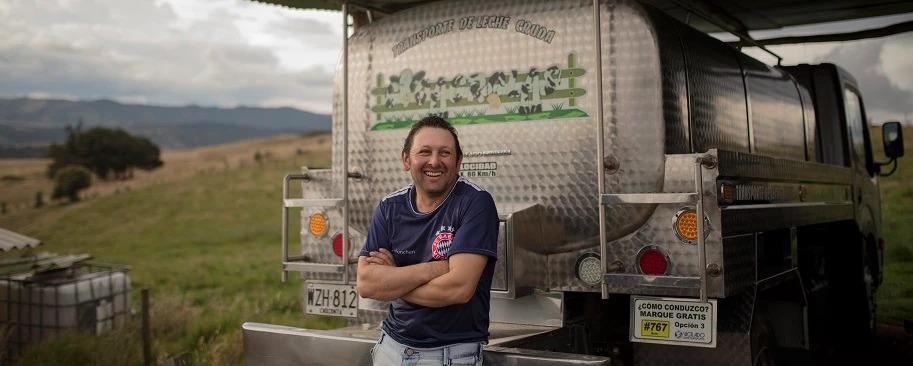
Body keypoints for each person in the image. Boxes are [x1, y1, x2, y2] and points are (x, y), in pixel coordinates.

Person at [356, 116, 499, 366]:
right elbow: (367, 285)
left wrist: (393, 279)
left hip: (450, 355)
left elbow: (458, 289)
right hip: (390, 348)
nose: (434, 161)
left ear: (458, 161)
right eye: (424, 152)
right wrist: (435, 268)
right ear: (406, 160)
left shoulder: (475, 203)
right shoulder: (390, 207)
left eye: (445, 153)